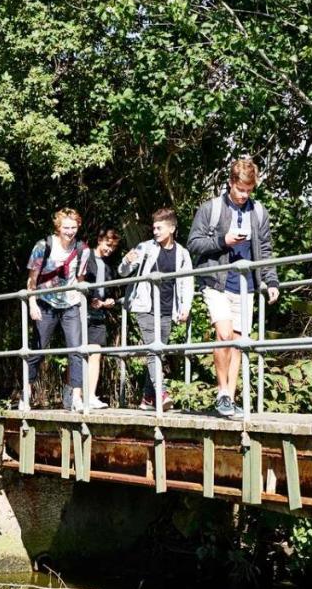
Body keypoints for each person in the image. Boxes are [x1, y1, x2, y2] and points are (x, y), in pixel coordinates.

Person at [186, 158, 280, 418]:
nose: (244, 195)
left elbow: (266, 250)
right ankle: (222, 393)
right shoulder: (212, 208)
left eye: (249, 191)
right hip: (217, 281)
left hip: (247, 284)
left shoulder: (258, 212)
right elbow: (193, 243)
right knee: (224, 335)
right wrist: (222, 241)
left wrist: (271, 281)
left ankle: (230, 396)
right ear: (230, 183)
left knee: (238, 342)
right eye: (240, 190)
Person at [119, 208, 193, 410]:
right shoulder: (145, 248)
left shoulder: (182, 254)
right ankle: (161, 394)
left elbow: (187, 281)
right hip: (145, 306)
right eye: (154, 228)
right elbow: (124, 271)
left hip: (168, 308)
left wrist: (185, 306)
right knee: (154, 350)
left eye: (159, 228)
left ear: (172, 228)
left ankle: (147, 399)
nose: (155, 231)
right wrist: (127, 261)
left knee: (158, 352)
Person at [24, 208, 91, 411]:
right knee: (37, 350)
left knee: (77, 350)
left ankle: (77, 397)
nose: (70, 232)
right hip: (45, 302)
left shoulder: (83, 250)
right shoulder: (43, 247)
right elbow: (32, 280)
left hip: (70, 303)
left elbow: (80, 279)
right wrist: (32, 304)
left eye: (73, 227)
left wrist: (82, 302)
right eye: (66, 228)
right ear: (58, 228)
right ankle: (25, 394)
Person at [80, 226, 121, 409]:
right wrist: (90, 299)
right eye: (107, 244)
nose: (109, 249)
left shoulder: (108, 265)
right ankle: (75, 396)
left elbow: (108, 289)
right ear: (100, 240)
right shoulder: (86, 256)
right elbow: (78, 281)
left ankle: (90, 395)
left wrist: (109, 300)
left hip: (99, 313)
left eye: (112, 247)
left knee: (96, 353)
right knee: (80, 354)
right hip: (81, 311)